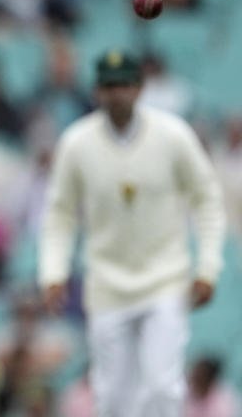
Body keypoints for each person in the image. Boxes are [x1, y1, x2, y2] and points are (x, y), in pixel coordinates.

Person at [38, 50, 226, 417]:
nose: (116, 94)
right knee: (111, 399)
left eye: (123, 85)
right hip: (107, 285)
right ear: (96, 92)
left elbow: (207, 201)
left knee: (161, 389)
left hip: (164, 281)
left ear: (139, 88)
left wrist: (207, 268)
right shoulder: (77, 143)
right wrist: (53, 273)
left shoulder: (173, 136)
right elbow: (59, 215)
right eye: (108, 87)